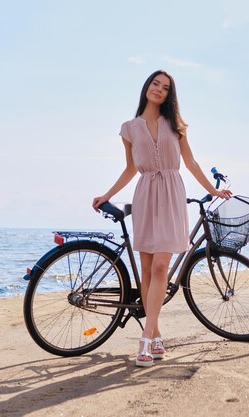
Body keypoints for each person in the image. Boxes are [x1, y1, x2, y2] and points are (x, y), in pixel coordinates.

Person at [92, 70, 232, 367]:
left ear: (170, 95)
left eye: (166, 88)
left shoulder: (176, 125)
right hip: (144, 195)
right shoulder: (129, 128)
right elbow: (130, 169)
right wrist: (107, 195)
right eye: (156, 84)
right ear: (146, 88)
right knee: (145, 271)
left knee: (159, 266)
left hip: (171, 194)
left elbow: (190, 162)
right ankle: (155, 335)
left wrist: (212, 190)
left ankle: (143, 339)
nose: (159, 90)